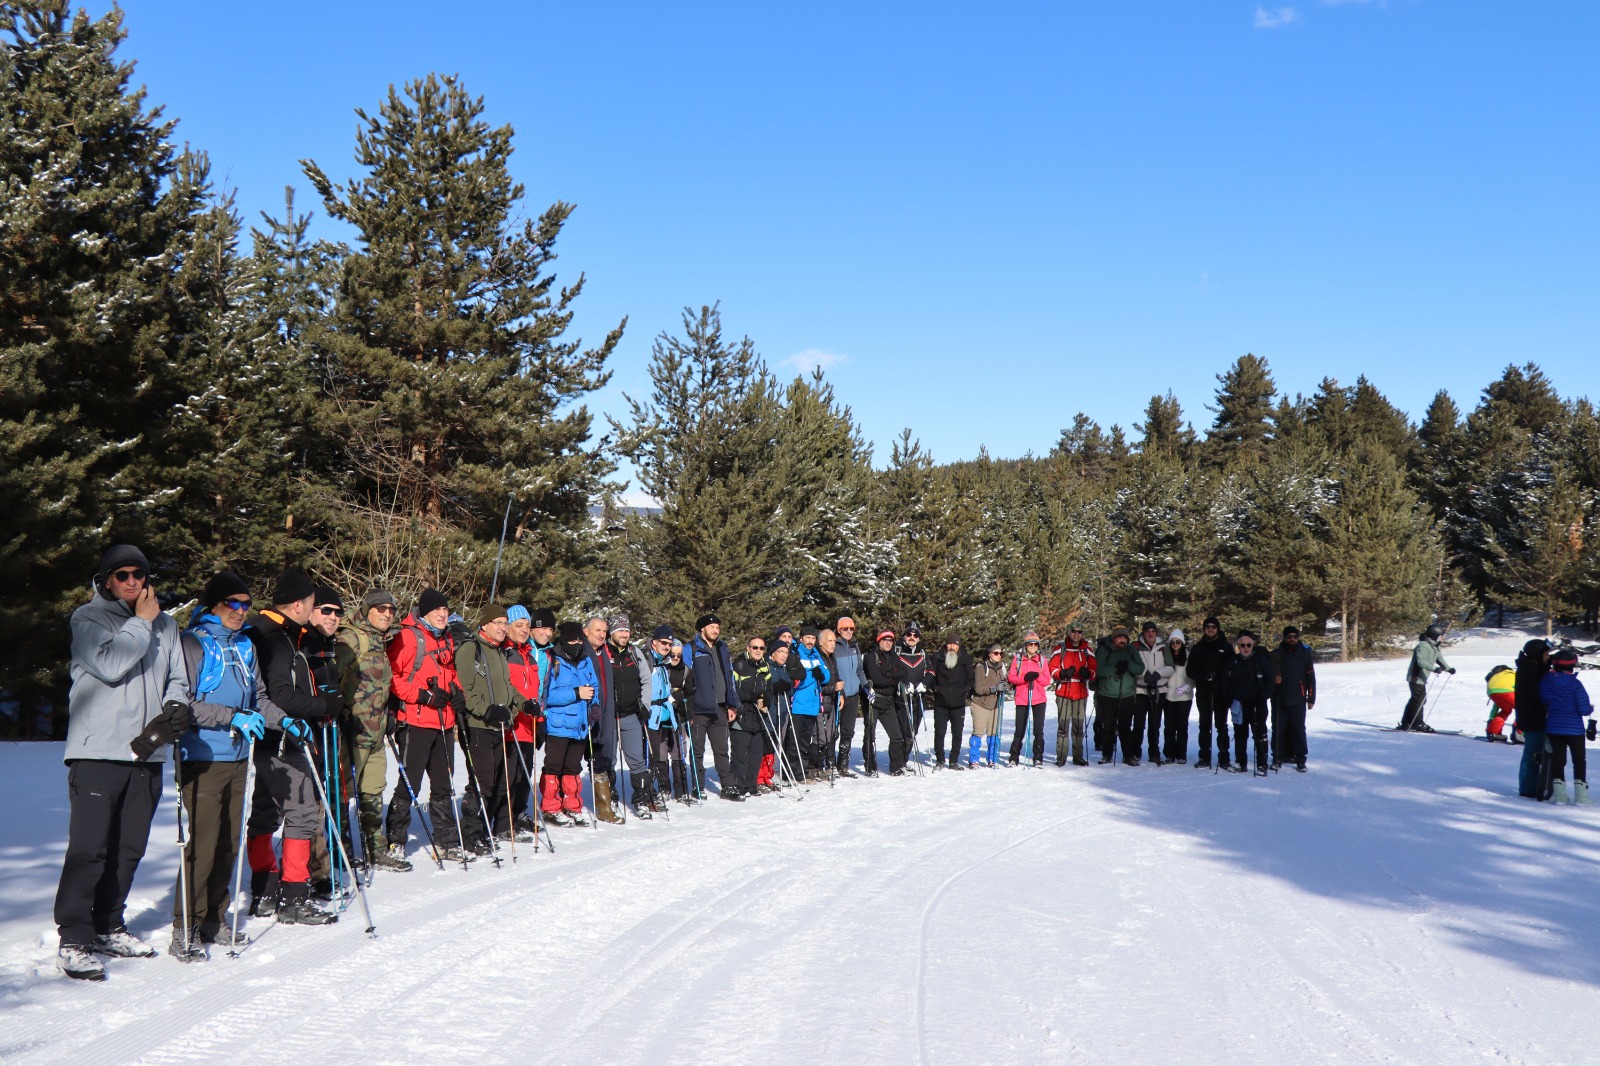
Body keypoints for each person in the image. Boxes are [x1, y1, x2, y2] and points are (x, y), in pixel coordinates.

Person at [54, 545, 192, 980]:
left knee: (129, 848)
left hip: (145, 750)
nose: (132, 582)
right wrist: (143, 622)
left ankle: (108, 924)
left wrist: (175, 706)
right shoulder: (89, 619)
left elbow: (177, 677)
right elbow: (112, 664)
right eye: (122, 575)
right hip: (98, 751)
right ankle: (74, 937)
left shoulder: (167, 625)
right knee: (90, 849)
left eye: (139, 574)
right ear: (106, 580)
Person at [169, 572, 286, 960]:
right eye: (232, 603)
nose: (240, 611)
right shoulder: (193, 644)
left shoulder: (245, 646)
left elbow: (260, 697)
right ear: (215, 605)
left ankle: (214, 919)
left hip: (239, 758)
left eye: (245, 604)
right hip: (202, 756)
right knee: (201, 844)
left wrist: (280, 719)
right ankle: (184, 926)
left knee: (228, 841)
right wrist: (232, 716)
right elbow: (183, 703)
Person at [244, 571, 342, 924]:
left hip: (263, 735)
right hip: (283, 735)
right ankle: (294, 895)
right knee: (299, 814)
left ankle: (265, 887)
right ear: (298, 604)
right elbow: (280, 694)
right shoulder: (276, 637)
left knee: (265, 812)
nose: (317, 611)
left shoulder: (261, 630)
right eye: (315, 605)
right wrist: (322, 706)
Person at [386, 588, 470, 863]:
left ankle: (446, 840)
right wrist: (421, 695)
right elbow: (393, 677)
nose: (442, 614)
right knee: (410, 783)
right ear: (424, 613)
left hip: (444, 723)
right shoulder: (408, 638)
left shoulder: (445, 638)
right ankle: (395, 841)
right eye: (437, 610)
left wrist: (457, 694)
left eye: (445, 610)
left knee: (444, 784)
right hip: (416, 721)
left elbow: (451, 673)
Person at [335, 589, 410, 872]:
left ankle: (376, 849)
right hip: (352, 733)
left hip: (377, 733)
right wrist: (341, 715)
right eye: (381, 609)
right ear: (367, 609)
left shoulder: (381, 641)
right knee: (343, 794)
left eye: (391, 610)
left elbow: (380, 685)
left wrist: (389, 714)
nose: (387, 614)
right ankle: (340, 851)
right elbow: (333, 681)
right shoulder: (351, 638)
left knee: (373, 791)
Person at [455, 605, 522, 851]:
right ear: (484, 625)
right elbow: (466, 691)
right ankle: (471, 835)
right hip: (478, 726)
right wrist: (488, 710)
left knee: (497, 781)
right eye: (498, 622)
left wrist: (525, 703)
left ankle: (484, 829)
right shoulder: (470, 650)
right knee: (481, 782)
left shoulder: (500, 652)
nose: (503, 628)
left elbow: (508, 688)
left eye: (505, 623)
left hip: (500, 727)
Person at [540, 622, 599, 826]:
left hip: (580, 725)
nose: (577, 644)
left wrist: (596, 704)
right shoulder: (553, 660)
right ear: (564, 640)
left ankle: (572, 805)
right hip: (558, 724)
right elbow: (548, 695)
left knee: (573, 767)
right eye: (572, 640)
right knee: (554, 767)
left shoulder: (585, 660)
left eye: (579, 640)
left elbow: (594, 686)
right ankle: (550, 807)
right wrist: (576, 693)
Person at [502, 606, 553, 832]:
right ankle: (504, 819)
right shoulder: (504, 652)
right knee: (509, 776)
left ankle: (519, 812)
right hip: (511, 724)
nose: (524, 630)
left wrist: (540, 722)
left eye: (526, 626)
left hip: (530, 724)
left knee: (525, 775)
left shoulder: (528, 655)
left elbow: (536, 691)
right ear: (508, 626)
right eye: (519, 625)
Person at [602, 615, 657, 818]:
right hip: (610, 717)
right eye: (620, 631)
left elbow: (646, 680)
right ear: (612, 633)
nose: (624, 634)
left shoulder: (635, 653)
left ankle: (641, 800)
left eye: (626, 630)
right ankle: (611, 799)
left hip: (632, 715)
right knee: (609, 760)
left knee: (637, 761)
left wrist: (645, 705)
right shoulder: (604, 652)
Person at [685, 613, 743, 799]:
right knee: (698, 751)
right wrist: (688, 709)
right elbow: (684, 680)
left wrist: (732, 704)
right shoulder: (692, 648)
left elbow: (729, 677)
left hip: (720, 708)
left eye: (717, 627)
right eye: (712, 627)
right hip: (699, 709)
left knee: (721, 750)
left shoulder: (722, 648)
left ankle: (728, 787)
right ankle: (698, 787)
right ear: (702, 629)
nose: (715, 630)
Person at [582, 615, 624, 824]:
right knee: (580, 761)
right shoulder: (582, 653)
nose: (601, 634)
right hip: (586, 715)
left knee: (603, 759)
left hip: (606, 714)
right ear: (586, 631)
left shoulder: (605, 653)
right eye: (597, 630)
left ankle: (605, 806)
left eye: (604, 631)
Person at [1539, 647, 1593, 805]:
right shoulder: (1575, 684)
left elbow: (1544, 699)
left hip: (1553, 727)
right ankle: (1581, 797)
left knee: (1558, 759)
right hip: (1574, 729)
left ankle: (1560, 796)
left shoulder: (1545, 681)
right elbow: (1584, 709)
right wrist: (1590, 708)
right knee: (1579, 760)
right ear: (1572, 665)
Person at [645, 626, 689, 803]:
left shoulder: (662, 663)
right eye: (664, 643)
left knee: (671, 752)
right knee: (654, 755)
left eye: (669, 644)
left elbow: (666, 690)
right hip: (651, 715)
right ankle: (652, 792)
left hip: (665, 714)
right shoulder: (649, 661)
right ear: (654, 642)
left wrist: (674, 703)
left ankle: (675, 790)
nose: (667, 647)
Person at [732, 634, 776, 796]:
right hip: (742, 714)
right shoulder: (739, 665)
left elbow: (769, 688)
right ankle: (739, 785)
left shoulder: (765, 667)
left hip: (759, 715)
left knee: (756, 753)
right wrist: (751, 698)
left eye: (761, 648)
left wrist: (766, 700)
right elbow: (733, 690)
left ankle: (751, 785)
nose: (758, 650)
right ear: (748, 648)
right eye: (755, 647)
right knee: (740, 753)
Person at [788, 626, 833, 779]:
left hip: (813, 706)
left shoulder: (815, 654)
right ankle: (795, 773)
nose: (810, 641)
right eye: (807, 638)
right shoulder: (795, 654)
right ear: (801, 639)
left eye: (813, 638)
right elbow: (796, 680)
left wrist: (820, 675)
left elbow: (826, 676)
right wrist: (813, 677)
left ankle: (803, 770)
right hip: (799, 705)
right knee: (795, 742)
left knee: (805, 743)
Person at [1189, 617, 1233, 769]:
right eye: (1207, 626)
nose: (1210, 629)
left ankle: (1224, 757)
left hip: (1220, 692)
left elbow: (1231, 669)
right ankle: (1204, 757)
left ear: (1218, 629)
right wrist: (1204, 677)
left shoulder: (1226, 647)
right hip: (1204, 693)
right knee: (1204, 726)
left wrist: (1221, 682)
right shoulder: (1198, 647)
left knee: (1222, 726)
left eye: (1213, 627)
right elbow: (1190, 670)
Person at [1270, 626, 1316, 772]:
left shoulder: (1304, 653)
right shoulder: (1276, 654)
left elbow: (1310, 677)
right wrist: (1273, 679)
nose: (1292, 639)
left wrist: (1311, 698)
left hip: (1298, 698)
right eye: (1289, 636)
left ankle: (1301, 758)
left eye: (1295, 636)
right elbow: (1266, 674)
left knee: (1298, 729)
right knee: (1278, 728)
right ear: (1284, 637)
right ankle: (1277, 757)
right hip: (1279, 698)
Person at [1049, 625, 1096, 767]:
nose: (1076, 634)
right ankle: (1061, 757)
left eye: (1079, 631)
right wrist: (1062, 673)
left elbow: (1094, 670)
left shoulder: (1087, 650)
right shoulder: (1060, 648)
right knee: (1063, 726)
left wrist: (1088, 674)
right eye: (1074, 631)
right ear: (1069, 632)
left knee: (1078, 726)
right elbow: (1052, 668)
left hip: (1080, 691)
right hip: (1064, 690)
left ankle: (1078, 757)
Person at [1228, 631, 1273, 776]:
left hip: (1257, 704)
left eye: (1248, 645)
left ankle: (1262, 764)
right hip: (1239, 705)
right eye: (1242, 645)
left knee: (1260, 735)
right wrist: (1227, 696)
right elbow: (1225, 681)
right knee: (1240, 735)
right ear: (1238, 646)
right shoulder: (1233, 661)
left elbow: (1270, 681)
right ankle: (1240, 762)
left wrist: (1263, 697)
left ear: (1253, 645)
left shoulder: (1261, 660)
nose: (1246, 648)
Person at [1094, 627, 1141, 765]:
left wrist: (1128, 665)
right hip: (1107, 694)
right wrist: (1115, 668)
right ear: (1113, 639)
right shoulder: (1104, 650)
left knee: (1125, 727)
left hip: (1127, 694)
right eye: (1120, 638)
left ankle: (1128, 755)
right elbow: (1098, 670)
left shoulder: (1131, 650)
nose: (1123, 640)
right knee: (1108, 726)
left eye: (1125, 638)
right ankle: (1107, 755)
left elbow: (1140, 667)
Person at [863, 629, 907, 776]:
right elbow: (876, 679)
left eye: (891, 641)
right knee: (870, 735)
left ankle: (895, 767)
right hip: (874, 700)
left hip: (889, 701)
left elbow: (903, 672)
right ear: (879, 641)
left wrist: (888, 676)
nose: (888, 643)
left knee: (896, 735)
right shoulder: (871, 656)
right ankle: (870, 767)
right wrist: (892, 679)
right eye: (885, 640)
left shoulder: (894, 656)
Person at [832, 616, 870, 777]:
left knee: (848, 731)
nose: (848, 631)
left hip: (853, 695)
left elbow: (859, 670)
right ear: (839, 630)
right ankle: (828, 761)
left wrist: (866, 687)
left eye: (851, 629)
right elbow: (832, 671)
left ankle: (843, 764)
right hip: (838, 695)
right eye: (845, 629)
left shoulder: (854, 646)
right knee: (833, 731)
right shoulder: (834, 646)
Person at [1131, 621, 1174, 765]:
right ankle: (1135, 752)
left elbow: (1170, 667)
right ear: (1143, 633)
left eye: (1153, 631)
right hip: (1141, 689)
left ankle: (1154, 752)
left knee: (1154, 723)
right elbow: (1132, 665)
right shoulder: (1135, 646)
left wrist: (1157, 674)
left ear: (1156, 633)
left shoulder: (1163, 647)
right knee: (1138, 723)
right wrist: (1144, 674)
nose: (1150, 634)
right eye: (1148, 631)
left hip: (1158, 689)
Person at [1398, 623, 1454, 732]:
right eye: (1441, 635)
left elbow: (1439, 659)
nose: (1442, 638)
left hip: (1422, 678)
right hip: (1416, 676)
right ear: (1435, 635)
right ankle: (1417, 723)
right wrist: (1434, 669)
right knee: (1420, 700)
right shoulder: (1423, 645)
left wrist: (1448, 669)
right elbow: (1421, 661)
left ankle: (1407, 722)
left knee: (1416, 700)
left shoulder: (1434, 647)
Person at [1515, 639, 1552, 799]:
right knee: (1532, 754)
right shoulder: (1530, 671)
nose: (1548, 658)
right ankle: (1528, 787)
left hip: (1534, 717)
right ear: (1537, 655)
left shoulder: (1533, 667)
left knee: (1535, 753)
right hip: (1533, 718)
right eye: (1546, 654)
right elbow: (1537, 695)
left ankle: (1534, 784)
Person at [1007, 632, 1051, 766]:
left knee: (1038, 730)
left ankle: (1038, 757)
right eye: (1030, 644)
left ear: (1038, 645)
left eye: (1035, 644)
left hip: (1038, 698)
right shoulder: (1018, 659)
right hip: (1022, 697)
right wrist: (1024, 678)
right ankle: (1014, 758)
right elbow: (1011, 677)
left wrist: (1037, 676)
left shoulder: (1042, 660)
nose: (1032, 646)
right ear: (1026, 645)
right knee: (1019, 729)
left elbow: (1047, 681)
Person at [931, 636, 974, 769]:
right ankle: (940, 760)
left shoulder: (965, 658)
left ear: (959, 646)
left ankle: (954, 760)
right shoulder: (937, 657)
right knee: (939, 732)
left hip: (958, 703)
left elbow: (970, 678)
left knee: (957, 733)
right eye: (949, 644)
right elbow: (931, 675)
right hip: (941, 702)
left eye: (954, 644)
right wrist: (935, 689)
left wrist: (964, 690)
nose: (951, 647)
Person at [970, 643, 1007, 767]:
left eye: (1000, 653)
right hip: (981, 704)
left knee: (993, 733)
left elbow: (1007, 683)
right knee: (978, 732)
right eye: (996, 653)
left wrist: (1006, 687)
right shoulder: (981, 667)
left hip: (996, 705)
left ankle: (992, 758)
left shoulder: (1002, 667)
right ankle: (974, 759)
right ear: (989, 654)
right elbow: (978, 689)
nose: (999, 655)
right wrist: (994, 688)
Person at [817, 627, 846, 778]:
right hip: (822, 701)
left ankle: (829, 763)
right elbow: (817, 684)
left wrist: (841, 694)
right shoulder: (818, 658)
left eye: (834, 641)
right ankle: (818, 765)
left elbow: (837, 677)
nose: (833, 644)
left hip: (833, 700)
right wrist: (833, 688)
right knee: (821, 736)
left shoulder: (831, 657)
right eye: (830, 641)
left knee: (831, 735)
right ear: (821, 642)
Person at [896, 623, 933, 744]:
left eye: (915, 635)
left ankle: (904, 759)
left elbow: (930, 671)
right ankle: (898, 762)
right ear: (904, 636)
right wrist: (904, 683)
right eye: (909, 634)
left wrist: (925, 683)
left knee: (912, 732)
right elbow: (892, 671)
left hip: (918, 698)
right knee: (901, 733)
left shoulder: (922, 653)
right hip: (901, 699)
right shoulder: (896, 651)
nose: (912, 637)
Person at [1162, 629, 1194, 764]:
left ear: (1182, 642)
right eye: (1173, 642)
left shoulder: (1188, 656)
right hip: (1169, 696)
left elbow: (1193, 676)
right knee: (1169, 726)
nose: (1175, 644)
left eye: (1178, 641)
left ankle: (1181, 754)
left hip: (1184, 697)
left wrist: (1186, 687)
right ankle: (1169, 753)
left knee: (1182, 726)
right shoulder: (1165, 656)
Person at [1484, 663, 1518, 743]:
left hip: (1491, 691)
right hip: (1507, 690)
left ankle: (1493, 732)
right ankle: (1519, 733)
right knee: (1524, 708)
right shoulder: (1512, 675)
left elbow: (1495, 707)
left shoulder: (1496, 676)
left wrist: (1490, 721)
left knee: (1505, 710)